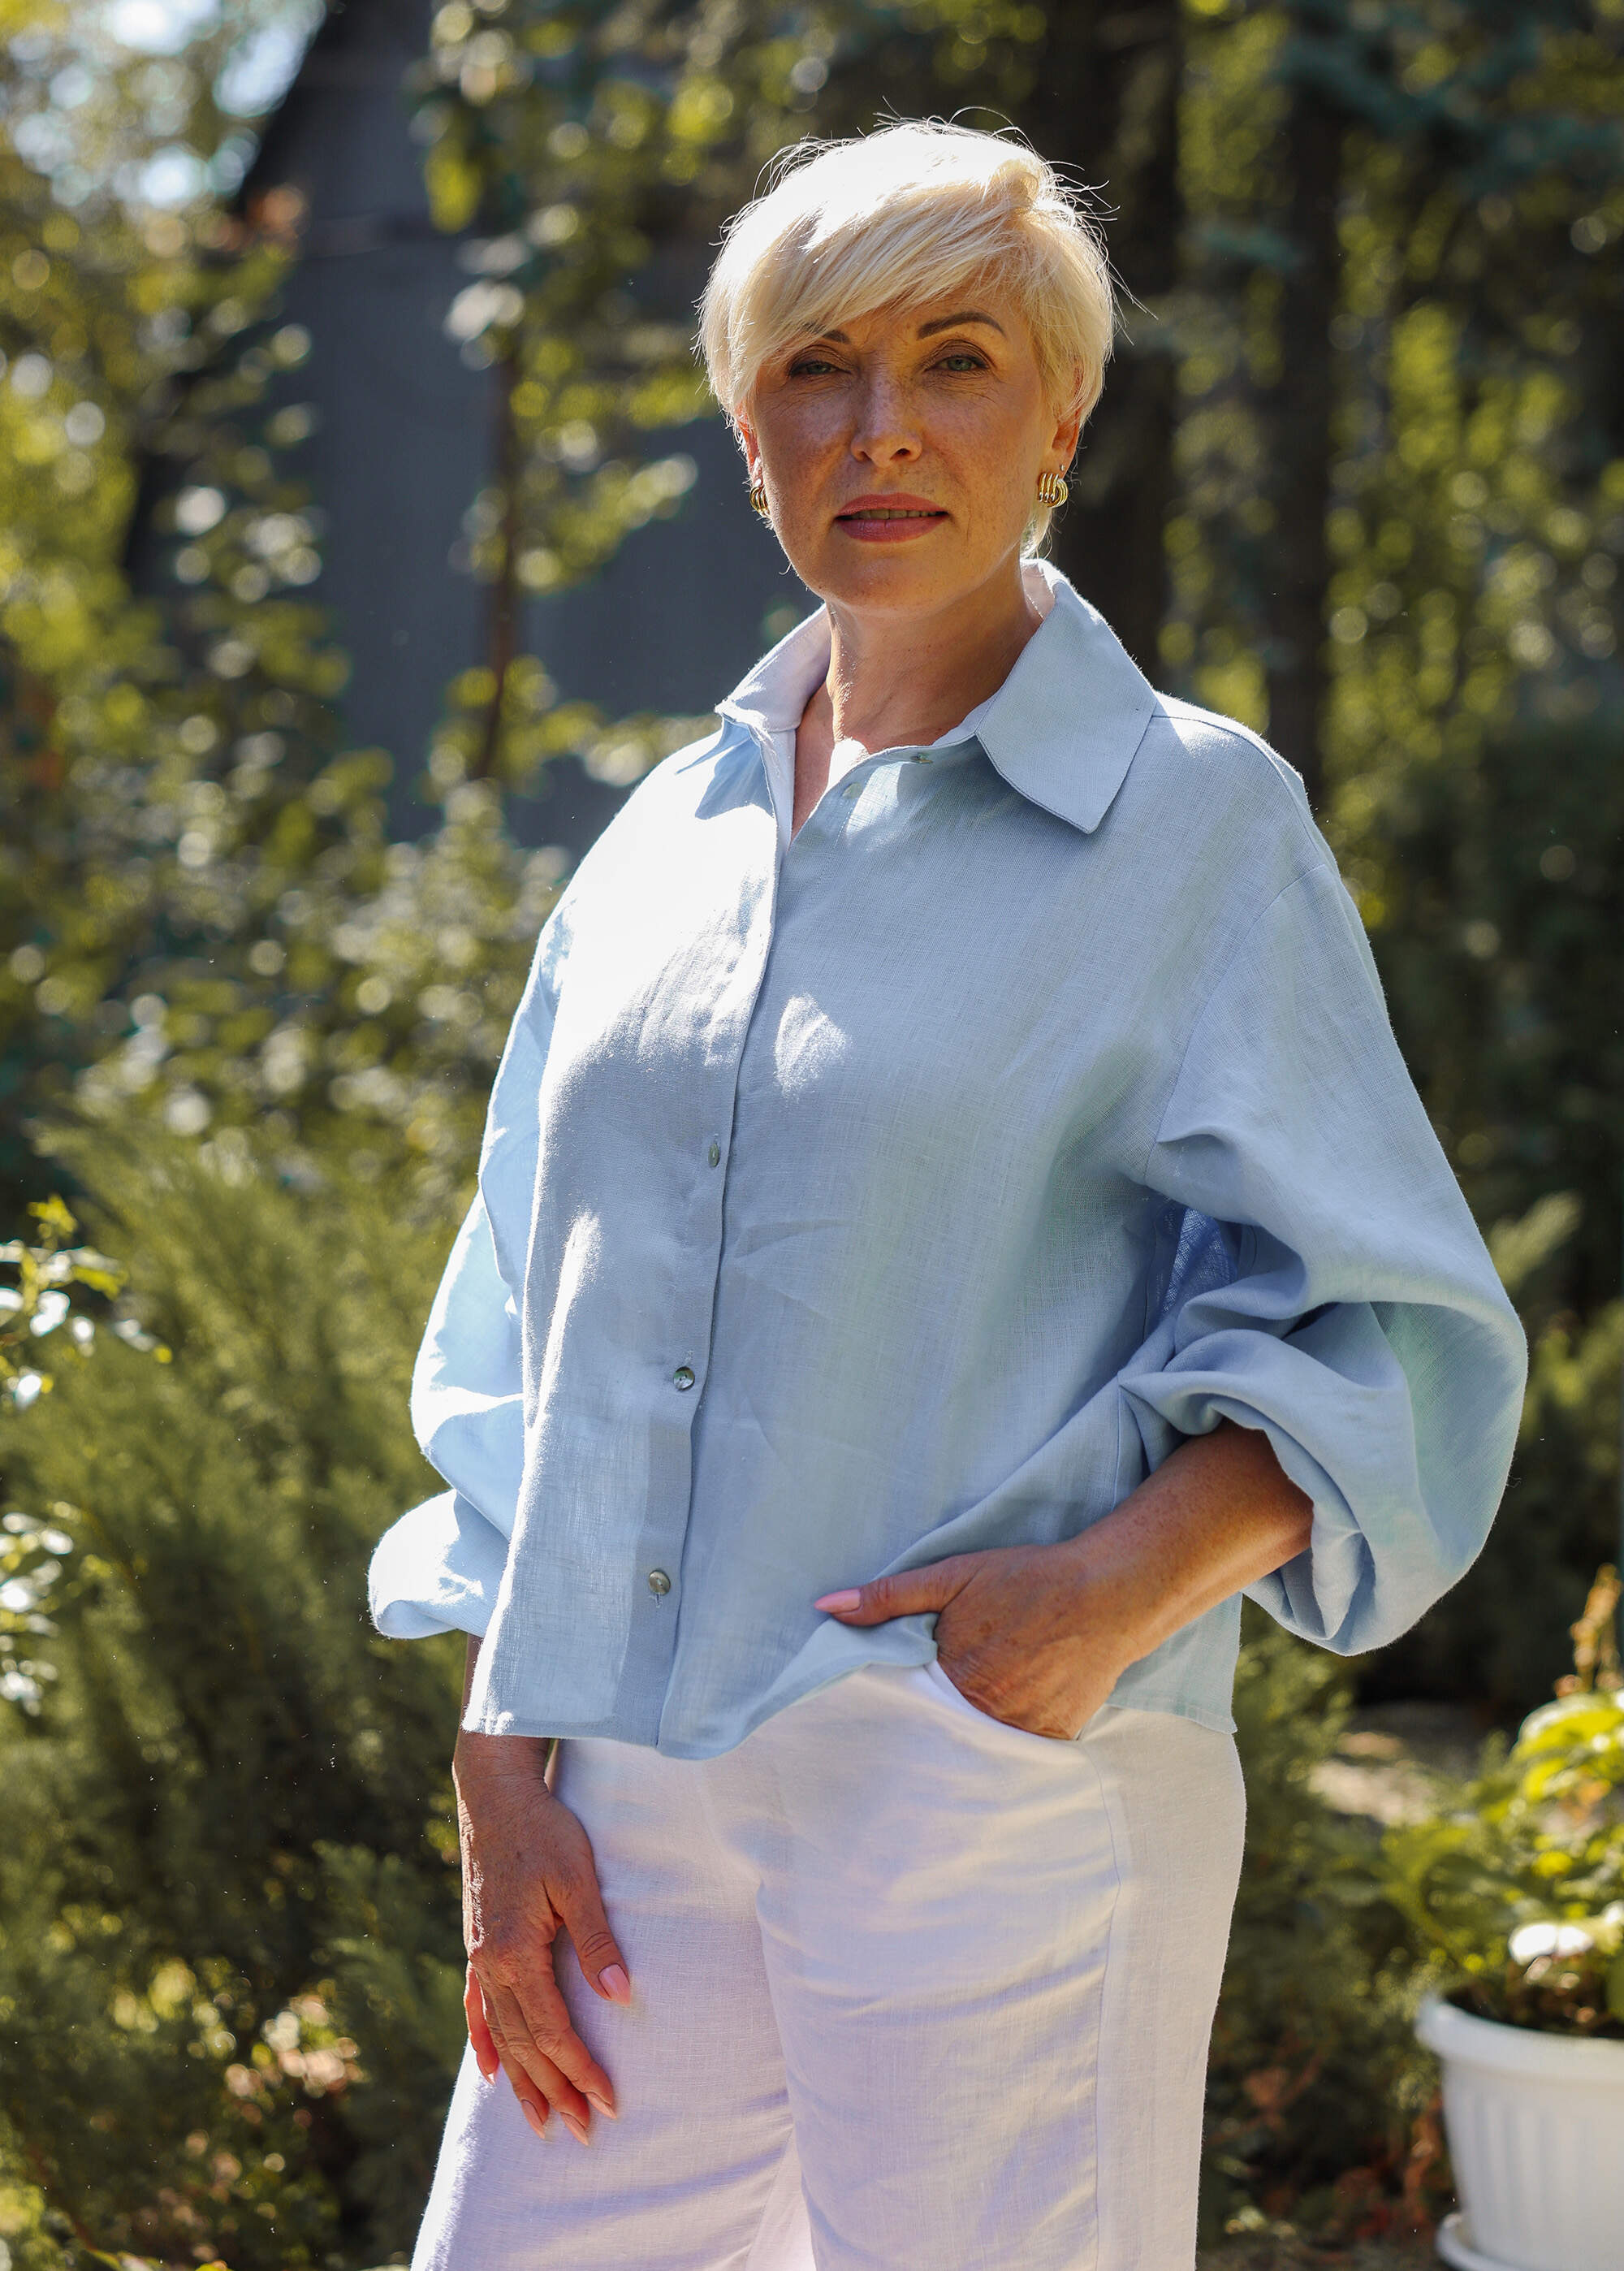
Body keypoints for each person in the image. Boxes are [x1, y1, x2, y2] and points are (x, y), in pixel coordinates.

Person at [369, 119, 1527, 2271]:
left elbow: (1399, 1329)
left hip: (989, 1788)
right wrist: (501, 1757)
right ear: (747, 427)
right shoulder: (660, 845)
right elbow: (530, 1322)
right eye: (819, 364)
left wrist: (1090, 1604)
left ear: (1060, 416)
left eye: (960, 356)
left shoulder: (1189, 823)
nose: (882, 426)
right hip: (619, 1798)